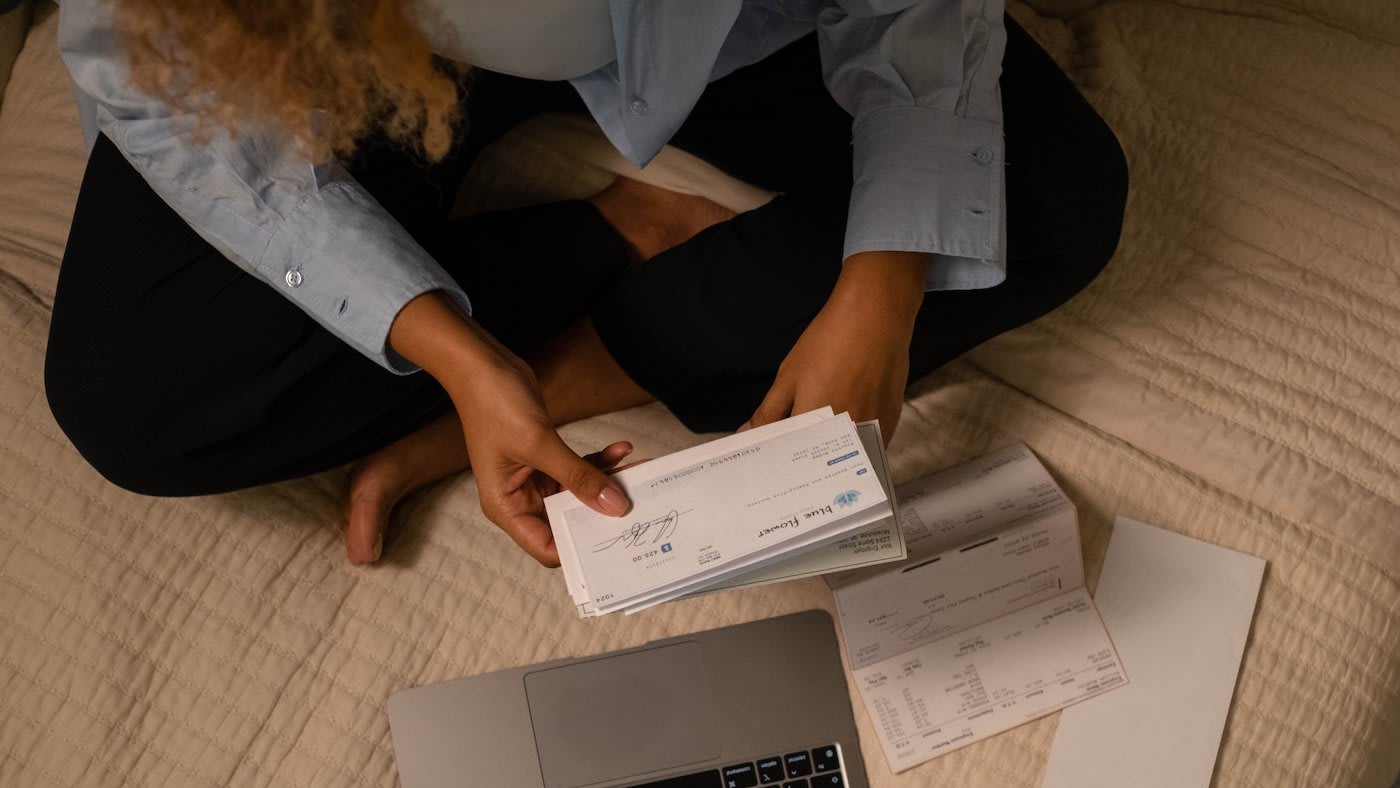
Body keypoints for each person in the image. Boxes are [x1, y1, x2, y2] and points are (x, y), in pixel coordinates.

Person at [46, 0, 1127, 568]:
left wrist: (881, 288)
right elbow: (150, 86)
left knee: (1040, 193)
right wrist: (453, 355)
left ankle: (570, 366)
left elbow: (914, 13)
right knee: (137, 398)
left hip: (718, 24)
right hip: (355, 51)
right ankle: (611, 235)